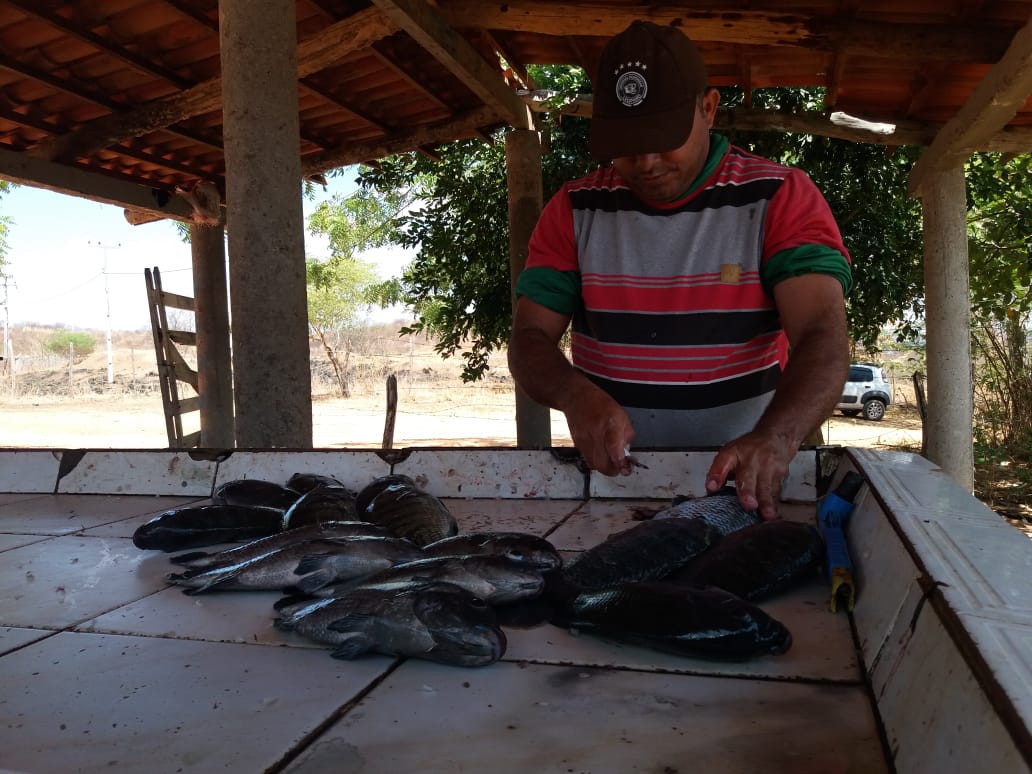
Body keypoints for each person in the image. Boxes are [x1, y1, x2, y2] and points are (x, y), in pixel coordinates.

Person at [507, 20, 852, 520]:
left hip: (745, 486)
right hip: (615, 487)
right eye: (627, 142)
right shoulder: (574, 208)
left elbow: (823, 332)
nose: (646, 162)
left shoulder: (780, 197)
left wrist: (775, 438)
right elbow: (529, 338)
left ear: (708, 109)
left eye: (664, 137)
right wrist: (573, 395)